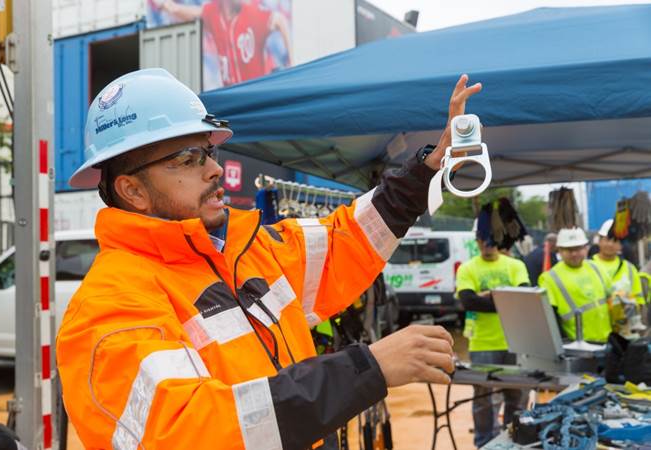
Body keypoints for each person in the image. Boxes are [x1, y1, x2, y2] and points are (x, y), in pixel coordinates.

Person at [56, 68, 482, 449]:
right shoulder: (107, 309)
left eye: (209, 152)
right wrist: (365, 369)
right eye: (188, 158)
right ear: (133, 191)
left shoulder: (248, 251)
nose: (215, 170)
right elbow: (191, 431)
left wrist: (426, 169)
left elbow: (345, 241)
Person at [456, 235, 530, 448]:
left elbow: (522, 298)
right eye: (482, 240)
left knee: (517, 397)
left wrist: (488, 296)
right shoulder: (468, 268)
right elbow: (469, 301)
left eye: (490, 240)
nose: (486, 244)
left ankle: (514, 441)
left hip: (514, 342)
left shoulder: (515, 265)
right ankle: (484, 443)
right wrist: (505, 298)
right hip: (482, 344)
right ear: (477, 241)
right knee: (483, 400)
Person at [157, 0, 292, 86]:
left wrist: (291, 58)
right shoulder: (212, 11)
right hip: (230, 92)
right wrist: (167, 6)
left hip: (256, 91)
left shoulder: (252, 11)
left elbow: (280, 20)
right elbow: (190, 13)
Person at [539, 228, 612, 342]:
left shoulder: (596, 267)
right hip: (577, 346)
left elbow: (612, 298)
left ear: (585, 248)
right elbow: (550, 319)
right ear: (560, 250)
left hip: (607, 340)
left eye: (578, 248)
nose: (574, 254)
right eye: (568, 250)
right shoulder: (549, 278)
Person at [591, 219, 644, 306]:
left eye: (615, 241)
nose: (610, 244)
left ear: (621, 245)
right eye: (607, 239)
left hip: (623, 318)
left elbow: (639, 300)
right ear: (599, 241)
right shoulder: (588, 266)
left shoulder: (630, 269)